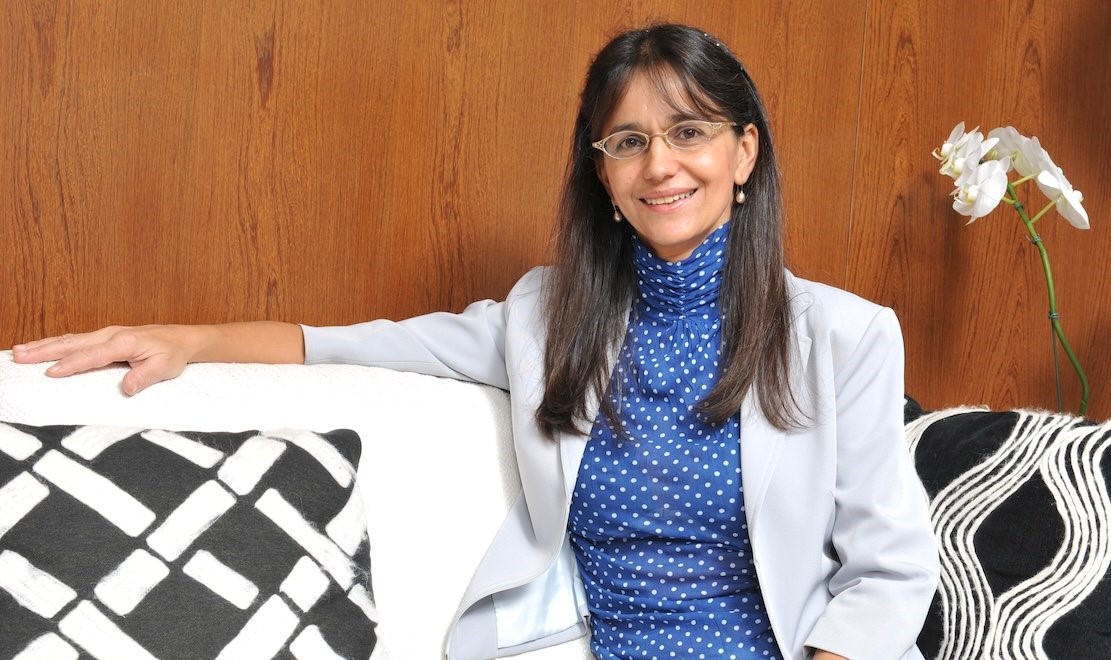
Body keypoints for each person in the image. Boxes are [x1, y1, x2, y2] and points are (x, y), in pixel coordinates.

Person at [12, 23, 939, 660]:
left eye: (688, 132)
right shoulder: (546, 316)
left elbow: (887, 571)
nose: (660, 164)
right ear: (601, 172)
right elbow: (355, 346)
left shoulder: (842, 336)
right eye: (626, 141)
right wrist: (188, 338)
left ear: (742, 154)